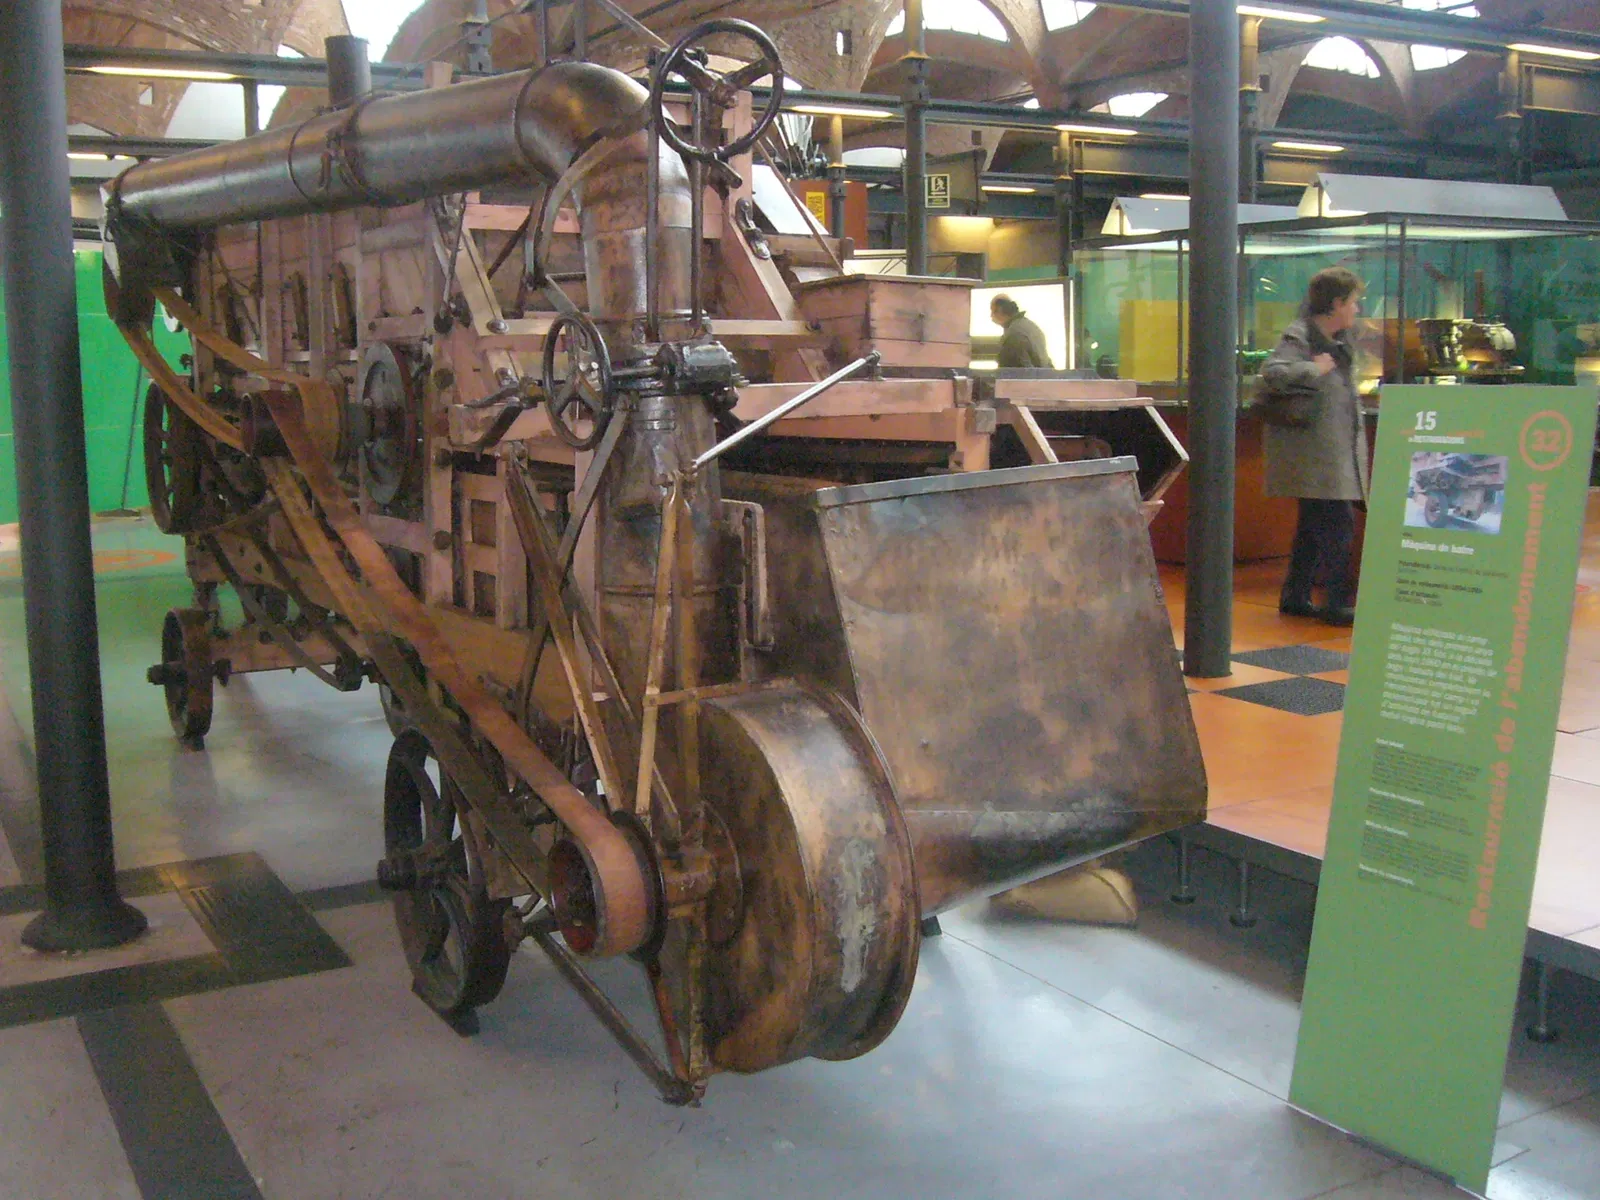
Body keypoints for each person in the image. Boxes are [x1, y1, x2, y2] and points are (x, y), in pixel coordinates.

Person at [1261, 266, 1369, 627]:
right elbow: (1273, 371)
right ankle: (1336, 601)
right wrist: (1313, 369)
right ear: (1336, 303)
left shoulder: (1342, 340)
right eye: (1354, 302)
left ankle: (1295, 594)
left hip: (1334, 449)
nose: (1357, 309)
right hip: (1315, 454)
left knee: (1312, 526)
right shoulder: (1301, 335)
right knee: (1339, 526)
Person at [990, 294, 1053, 368]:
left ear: (1000, 310)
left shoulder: (1013, 334)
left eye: (992, 311)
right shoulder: (1031, 327)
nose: (991, 316)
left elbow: (1017, 372)